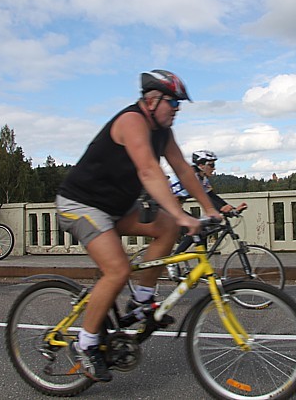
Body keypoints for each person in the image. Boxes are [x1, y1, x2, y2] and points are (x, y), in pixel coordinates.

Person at [56, 70, 220, 382]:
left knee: (168, 227)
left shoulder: (163, 132)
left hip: (116, 208)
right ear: (152, 99)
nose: (176, 108)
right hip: (81, 205)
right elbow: (147, 170)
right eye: (172, 101)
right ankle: (86, 343)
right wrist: (184, 214)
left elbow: (184, 171)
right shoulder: (131, 121)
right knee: (117, 270)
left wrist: (211, 210)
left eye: (178, 104)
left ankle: (142, 300)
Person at [169, 150, 247, 259]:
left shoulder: (202, 178)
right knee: (196, 228)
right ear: (201, 165)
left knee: (202, 232)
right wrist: (224, 209)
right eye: (211, 165)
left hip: (174, 208)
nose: (214, 168)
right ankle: (173, 260)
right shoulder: (192, 176)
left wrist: (231, 209)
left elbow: (212, 196)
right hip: (164, 207)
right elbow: (207, 199)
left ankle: (204, 268)